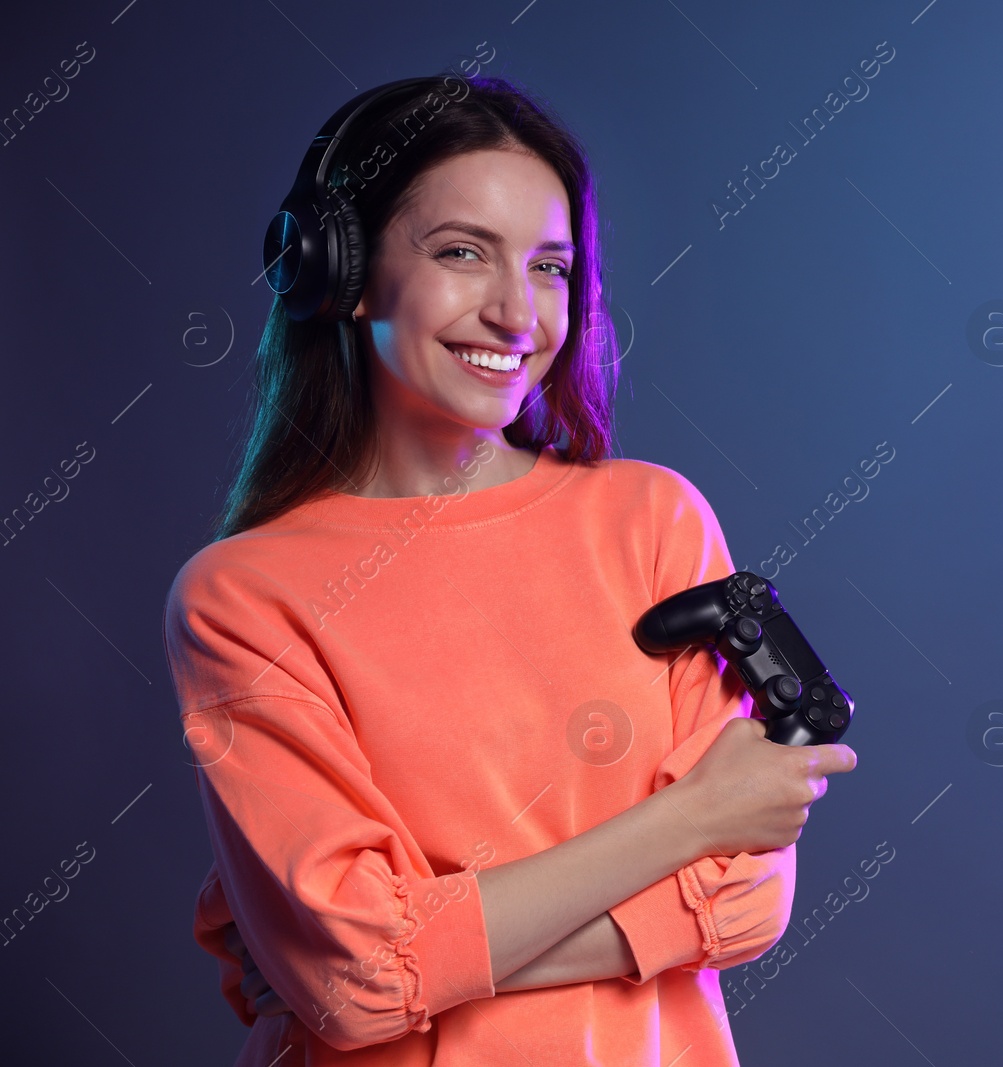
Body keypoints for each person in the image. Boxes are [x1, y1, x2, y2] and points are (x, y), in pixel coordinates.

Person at [162, 72, 857, 1066]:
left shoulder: (651, 520)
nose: (515, 312)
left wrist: (403, 958)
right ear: (343, 272)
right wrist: (690, 820)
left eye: (549, 267)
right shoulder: (239, 595)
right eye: (460, 253)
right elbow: (355, 978)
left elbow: (744, 898)